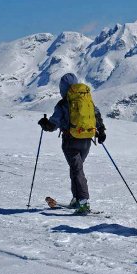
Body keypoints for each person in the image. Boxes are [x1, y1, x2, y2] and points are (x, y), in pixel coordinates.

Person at [38, 73, 106, 214]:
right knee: (76, 168)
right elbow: (96, 115)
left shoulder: (63, 104)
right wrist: (101, 131)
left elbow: (53, 125)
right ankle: (76, 198)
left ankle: (83, 201)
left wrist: (45, 124)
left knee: (77, 170)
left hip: (71, 141)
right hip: (87, 140)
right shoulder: (87, 99)